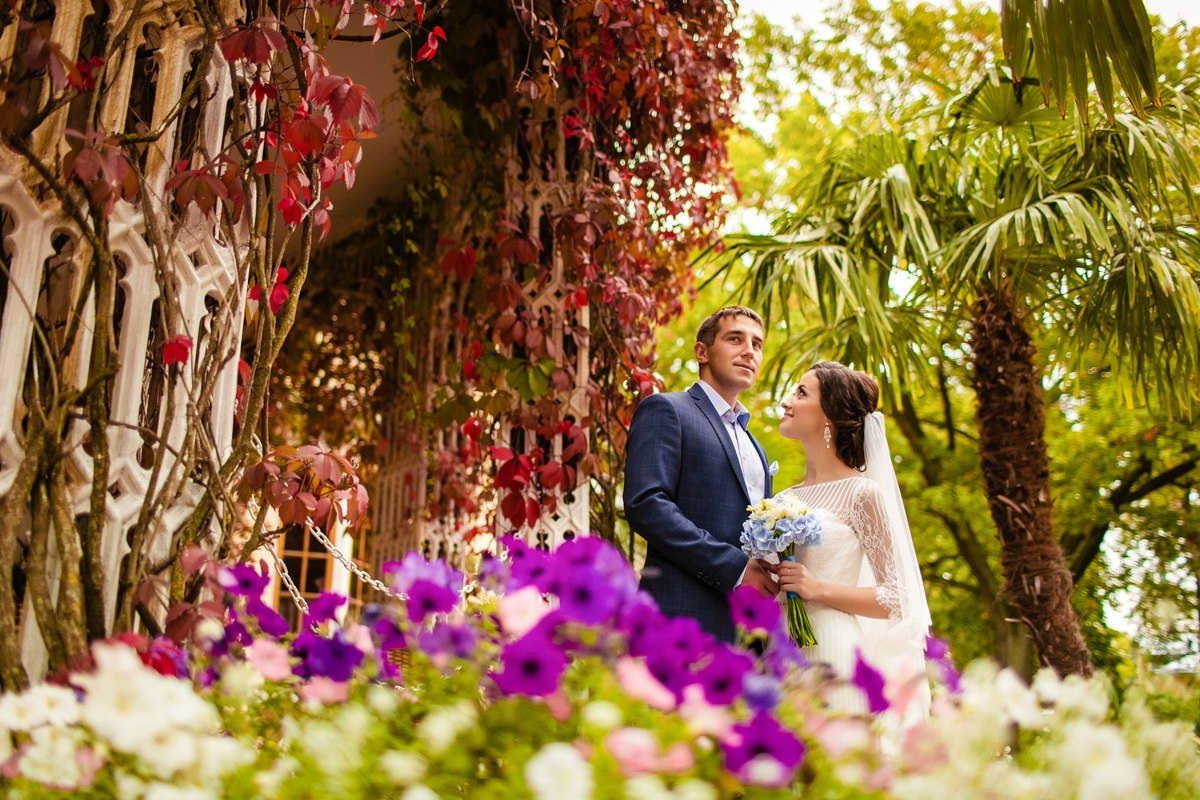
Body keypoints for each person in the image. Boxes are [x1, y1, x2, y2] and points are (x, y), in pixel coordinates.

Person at [774, 361, 931, 721]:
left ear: (828, 415)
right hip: (781, 648)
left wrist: (816, 589)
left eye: (801, 393)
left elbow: (897, 596)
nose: (787, 401)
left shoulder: (861, 493)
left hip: (833, 647)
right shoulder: (781, 500)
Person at [623, 307, 777, 642]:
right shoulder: (667, 409)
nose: (749, 351)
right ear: (701, 352)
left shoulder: (757, 449)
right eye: (735, 339)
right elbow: (646, 504)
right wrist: (734, 568)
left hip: (745, 634)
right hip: (679, 620)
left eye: (757, 344)